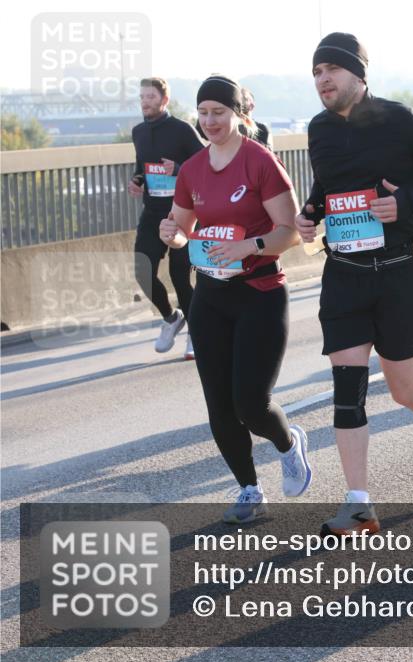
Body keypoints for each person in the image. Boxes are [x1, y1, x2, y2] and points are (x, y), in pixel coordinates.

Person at [293, 33, 413, 535]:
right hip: (345, 273)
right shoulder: (319, 129)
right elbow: (327, 184)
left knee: (402, 389)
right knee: (347, 392)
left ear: (358, 73)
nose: (323, 80)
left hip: (398, 273)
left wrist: (406, 202)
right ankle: (359, 503)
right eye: (316, 72)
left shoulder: (400, 118)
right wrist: (311, 214)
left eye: (331, 69)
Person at [159, 75, 310, 523]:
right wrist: (173, 233)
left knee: (250, 403)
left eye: (218, 112)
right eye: (203, 113)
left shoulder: (260, 162)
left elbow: (289, 232)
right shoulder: (191, 169)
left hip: (260, 293)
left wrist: (250, 247)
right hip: (210, 297)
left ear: (238, 115)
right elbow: (183, 228)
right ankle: (249, 489)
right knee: (219, 406)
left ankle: (287, 443)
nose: (210, 121)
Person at [127, 77, 203, 359]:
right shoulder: (138, 132)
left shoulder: (181, 130)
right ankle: (171, 318)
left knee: (179, 277)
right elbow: (142, 166)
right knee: (142, 270)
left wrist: (179, 168)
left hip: (182, 212)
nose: (145, 101)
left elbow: (205, 161)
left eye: (151, 96)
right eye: (142, 97)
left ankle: (196, 333)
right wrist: (137, 181)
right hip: (152, 212)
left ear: (164, 100)